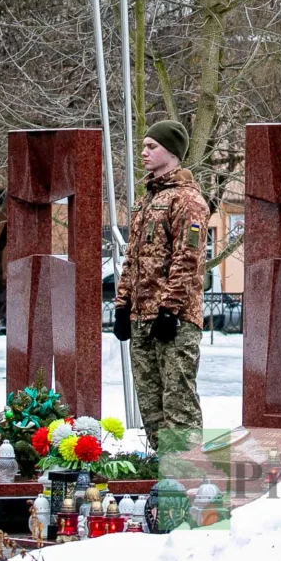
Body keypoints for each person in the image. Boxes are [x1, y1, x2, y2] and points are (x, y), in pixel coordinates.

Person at [113, 120, 207, 450]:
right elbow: (132, 258)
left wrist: (169, 310)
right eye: (143, 146)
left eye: (152, 146)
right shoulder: (146, 201)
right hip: (141, 317)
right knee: (151, 406)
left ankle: (187, 469)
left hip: (174, 321)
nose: (144, 152)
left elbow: (188, 258)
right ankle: (162, 465)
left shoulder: (188, 200)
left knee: (178, 402)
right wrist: (122, 305)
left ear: (172, 152)